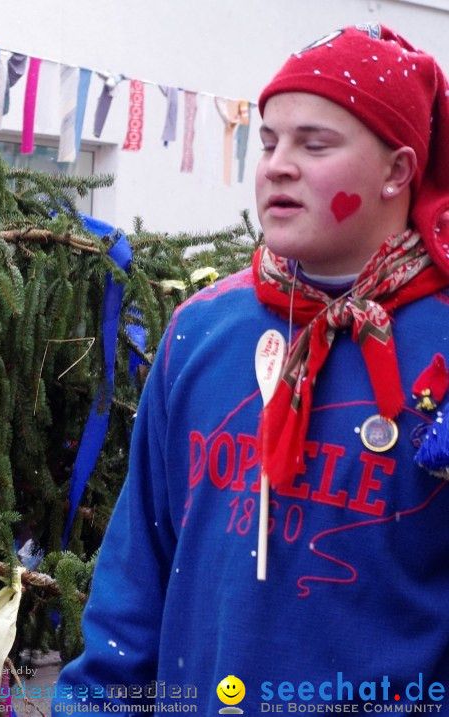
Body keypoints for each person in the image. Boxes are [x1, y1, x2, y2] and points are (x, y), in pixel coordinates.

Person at [54, 24, 449, 713]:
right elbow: (134, 576)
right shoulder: (202, 331)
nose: (277, 165)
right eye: (268, 141)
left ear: (398, 170)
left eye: (314, 143)